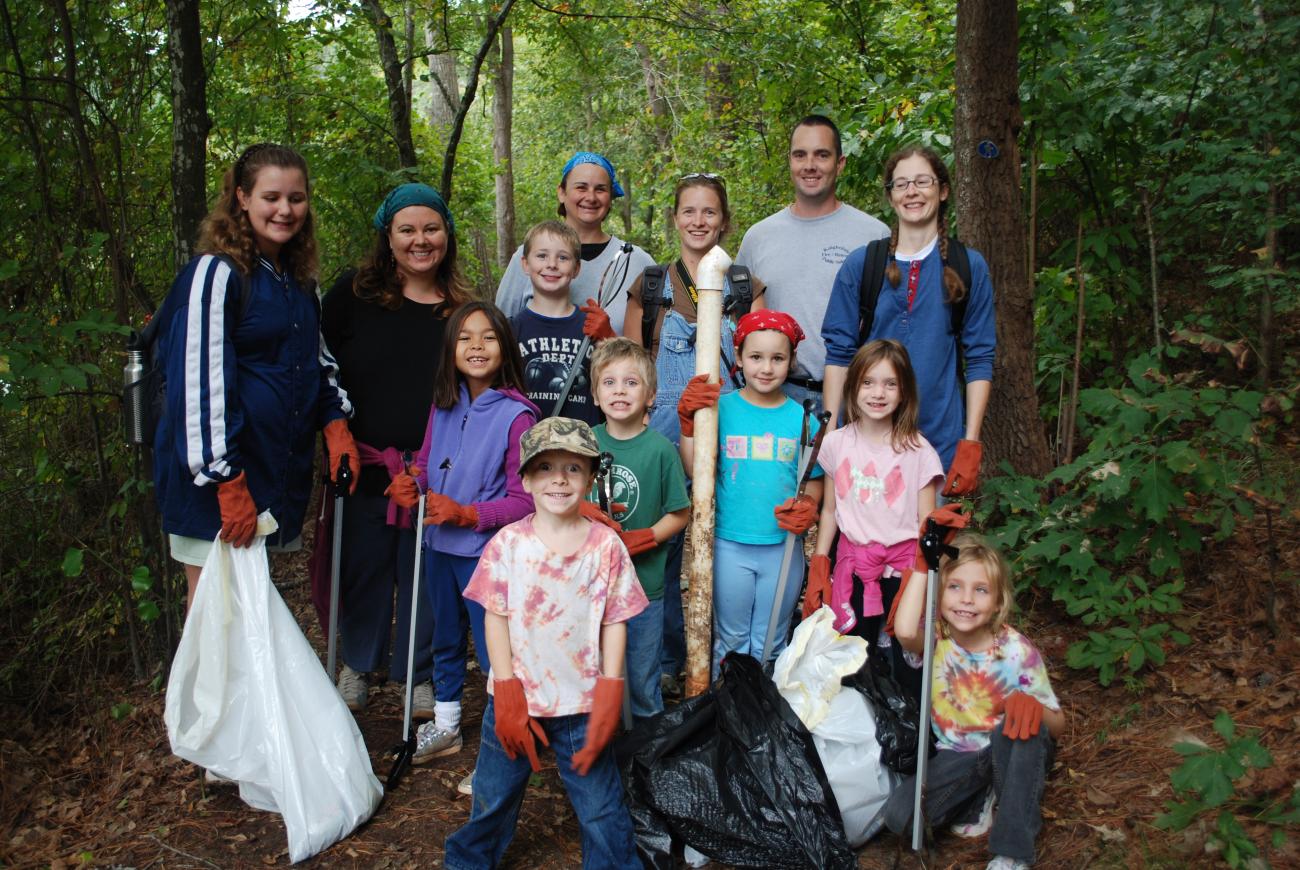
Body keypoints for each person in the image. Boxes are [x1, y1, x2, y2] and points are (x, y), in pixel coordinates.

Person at [152, 142, 357, 610]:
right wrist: (226, 481)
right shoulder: (215, 273)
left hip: (272, 477)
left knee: (253, 626)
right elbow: (198, 385)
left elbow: (316, 363)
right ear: (242, 198)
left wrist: (336, 426)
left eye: (297, 198)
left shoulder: (298, 282)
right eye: (272, 197)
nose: (285, 210)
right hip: (216, 490)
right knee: (216, 620)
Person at [444, 417, 646, 869]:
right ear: (527, 479)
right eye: (546, 467)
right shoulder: (508, 544)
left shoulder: (606, 547)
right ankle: (468, 861)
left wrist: (612, 687)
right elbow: (495, 617)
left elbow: (615, 619)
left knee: (601, 807)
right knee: (493, 797)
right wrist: (508, 686)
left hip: (583, 702)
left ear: (591, 478)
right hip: (516, 703)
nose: (559, 478)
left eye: (573, 468)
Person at [319, 182, 471, 716]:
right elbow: (320, 367)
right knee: (363, 565)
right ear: (388, 237)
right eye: (407, 230)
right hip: (363, 462)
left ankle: (419, 672)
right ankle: (358, 663)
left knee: (425, 571)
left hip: (434, 467)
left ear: (446, 236)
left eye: (431, 228)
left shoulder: (460, 310)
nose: (420, 240)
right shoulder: (352, 296)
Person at [619, 172, 765, 694]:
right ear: (675, 218)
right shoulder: (652, 287)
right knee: (665, 547)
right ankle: (662, 660)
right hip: (662, 434)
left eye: (709, 212)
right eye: (689, 212)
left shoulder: (745, 285)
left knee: (725, 542)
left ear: (724, 220)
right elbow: (635, 369)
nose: (699, 221)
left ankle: (728, 661)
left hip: (732, 434)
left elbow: (760, 365)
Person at [385, 302, 539, 766]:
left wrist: (469, 514)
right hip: (437, 546)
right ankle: (448, 722)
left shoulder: (518, 417)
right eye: (465, 337)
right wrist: (411, 484)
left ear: (505, 348)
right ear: (451, 349)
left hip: (486, 556)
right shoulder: (443, 405)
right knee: (445, 637)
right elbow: (429, 467)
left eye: (488, 337)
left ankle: (504, 730)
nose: (476, 346)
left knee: (495, 648)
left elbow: (527, 500)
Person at [884, 533, 1065, 870]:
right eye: (955, 587)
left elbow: (1058, 725)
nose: (966, 599)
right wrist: (924, 566)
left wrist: (1033, 707)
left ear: (998, 601)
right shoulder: (938, 638)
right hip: (960, 756)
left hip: (1012, 748)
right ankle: (982, 797)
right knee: (900, 817)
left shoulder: (1016, 651)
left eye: (981, 590)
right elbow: (906, 632)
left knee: (1021, 732)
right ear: (940, 594)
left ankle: (1012, 851)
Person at [821, 145, 995, 490]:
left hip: (937, 441)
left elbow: (980, 357)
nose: (911, 192)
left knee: (928, 544)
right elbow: (839, 355)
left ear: (943, 191)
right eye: (900, 184)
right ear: (890, 196)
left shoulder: (968, 266)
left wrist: (970, 441)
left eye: (922, 181)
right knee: (863, 543)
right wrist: (832, 435)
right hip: (864, 446)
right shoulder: (863, 265)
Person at [677, 311, 824, 673]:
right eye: (756, 357)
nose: (766, 367)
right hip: (729, 544)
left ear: (791, 362)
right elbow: (694, 468)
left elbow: (815, 478)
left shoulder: (804, 419)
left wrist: (810, 503)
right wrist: (689, 426)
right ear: (739, 357)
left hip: (782, 549)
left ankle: (765, 716)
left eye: (778, 358)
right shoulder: (720, 410)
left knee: (771, 640)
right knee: (731, 640)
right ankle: (726, 715)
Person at [802, 340, 943, 696]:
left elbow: (928, 524)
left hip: (903, 569)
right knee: (853, 657)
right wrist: (821, 561)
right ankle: (859, 730)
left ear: (904, 391)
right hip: (854, 565)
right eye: (868, 382)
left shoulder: (918, 451)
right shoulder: (836, 443)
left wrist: (924, 579)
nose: (878, 393)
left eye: (890, 383)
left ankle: (910, 733)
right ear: (853, 388)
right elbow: (831, 509)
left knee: (905, 656)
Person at [734, 116, 889, 408]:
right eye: (800, 155)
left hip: (855, 397)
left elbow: (890, 322)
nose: (810, 165)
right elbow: (738, 323)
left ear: (840, 163)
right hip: (778, 397)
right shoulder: (759, 237)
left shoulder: (873, 235)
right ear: (790, 162)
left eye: (822, 155)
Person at [587, 339, 690, 721]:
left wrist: (644, 537)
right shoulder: (585, 444)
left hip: (644, 585)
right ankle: (600, 746)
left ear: (651, 396)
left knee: (643, 677)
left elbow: (679, 513)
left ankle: (646, 751)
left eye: (631, 383)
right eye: (609, 382)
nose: (619, 391)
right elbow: (563, 500)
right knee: (596, 673)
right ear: (596, 394)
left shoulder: (661, 449)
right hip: (592, 587)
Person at [495, 151, 654, 334]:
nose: (591, 197)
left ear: (611, 198)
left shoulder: (637, 262)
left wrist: (610, 338)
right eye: (581, 187)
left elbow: (652, 348)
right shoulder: (530, 256)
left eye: (600, 189)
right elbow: (500, 333)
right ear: (561, 192)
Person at [511, 220, 615, 423]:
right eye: (542, 256)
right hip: (527, 446)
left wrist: (609, 337)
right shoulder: (510, 328)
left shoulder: (592, 327)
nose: (551, 264)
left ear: (576, 268)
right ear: (525, 264)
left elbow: (620, 377)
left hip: (583, 446)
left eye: (563, 257)